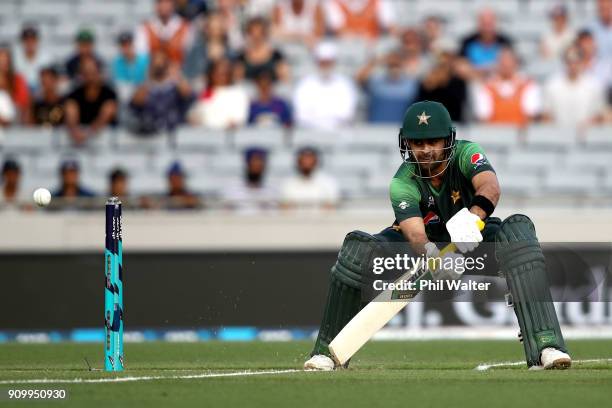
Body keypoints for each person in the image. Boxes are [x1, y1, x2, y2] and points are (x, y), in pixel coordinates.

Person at [303, 100, 572, 372]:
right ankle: (327, 352)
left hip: (473, 237)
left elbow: (490, 186)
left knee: (518, 231)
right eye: (418, 143)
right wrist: (433, 256)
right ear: (407, 143)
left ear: (448, 140)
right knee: (357, 250)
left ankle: (545, 346)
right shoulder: (402, 181)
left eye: (433, 142)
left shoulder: (467, 153)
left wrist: (473, 217)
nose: (426, 150)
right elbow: (415, 235)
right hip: (421, 247)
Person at [293, 42, 357, 130]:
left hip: (339, 135)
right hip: (310, 135)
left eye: (328, 62)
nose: (325, 66)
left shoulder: (345, 85)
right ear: (317, 62)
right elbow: (301, 115)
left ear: (334, 62)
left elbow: (347, 114)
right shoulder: (305, 85)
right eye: (322, 62)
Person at [128, 50, 193, 135]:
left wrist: (176, 75)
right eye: (155, 63)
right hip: (151, 133)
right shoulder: (145, 87)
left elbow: (187, 94)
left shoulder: (174, 86)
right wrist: (148, 78)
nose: (158, 66)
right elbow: (136, 102)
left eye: (162, 63)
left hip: (173, 131)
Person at [472, 47, 541, 126]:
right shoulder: (486, 87)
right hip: (493, 133)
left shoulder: (529, 85)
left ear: (516, 63)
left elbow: (531, 115)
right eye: (502, 62)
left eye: (509, 61)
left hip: (520, 133)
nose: (506, 65)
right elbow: (483, 117)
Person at [542, 47, 607, 128]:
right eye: (569, 61)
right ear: (564, 62)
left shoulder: (594, 85)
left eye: (576, 61)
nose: (573, 65)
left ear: (582, 62)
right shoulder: (552, 85)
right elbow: (546, 115)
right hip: (558, 136)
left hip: (587, 136)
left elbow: (599, 115)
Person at [64, 57, 118, 144]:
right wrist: (75, 132)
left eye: (93, 72)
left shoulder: (109, 94)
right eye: (86, 73)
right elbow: (71, 116)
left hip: (104, 140)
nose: (90, 76)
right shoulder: (74, 94)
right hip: (77, 140)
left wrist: (88, 133)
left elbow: (106, 115)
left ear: (99, 73)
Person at [356, 49, 418, 123]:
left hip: (402, 130)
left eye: (397, 65)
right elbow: (359, 79)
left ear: (402, 64)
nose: (394, 68)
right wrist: (374, 62)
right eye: (391, 65)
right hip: (375, 129)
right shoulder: (376, 82)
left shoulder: (411, 84)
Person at [188, 58, 249, 129]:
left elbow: (239, 119)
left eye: (224, 73)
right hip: (205, 134)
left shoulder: (238, 93)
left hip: (228, 135)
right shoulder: (207, 91)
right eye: (217, 73)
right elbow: (196, 112)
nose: (220, 76)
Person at [134, 0, 194, 67]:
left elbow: (190, 59)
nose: (163, 5)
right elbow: (141, 58)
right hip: (153, 74)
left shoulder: (186, 28)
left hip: (179, 73)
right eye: (160, 2)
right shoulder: (144, 28)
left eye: (167, 2)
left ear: (173, 4)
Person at [233, 17, 289, 83]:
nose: (257, 36)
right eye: (253, 32)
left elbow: (285, 79)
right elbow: (237, 80)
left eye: (260, 32)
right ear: (248, 34)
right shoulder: (241, 57)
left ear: (265, 34)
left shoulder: (276, 55)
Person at [416, 51, 468, 123]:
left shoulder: (458, 82)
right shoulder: (427, 83)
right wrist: (429, 88)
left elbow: (457, 104)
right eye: (440, 65)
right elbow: (421, 105)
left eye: (445, 65)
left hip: (453, 123)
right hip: (431, 123)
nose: (442, 69)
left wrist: (445, 84)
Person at [222, 147, 278, 213]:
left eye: (260, 162)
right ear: (247, 163)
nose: (257, 165)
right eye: (254, 161)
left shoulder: (272, 191)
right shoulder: (233, 189)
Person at [459, 8, 513, 76]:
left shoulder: (504, 42)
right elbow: (461, 66)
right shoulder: (467, 42)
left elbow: (510, 66)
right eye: (484, 24)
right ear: (478, 24)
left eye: (489, 24)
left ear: (495, 23)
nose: (487, 28)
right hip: (473, 81)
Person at [183, 10, 232, 81]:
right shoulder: (196, 51)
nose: (215, 30)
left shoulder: (231, 53)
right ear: (207, 29)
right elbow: (186, 74)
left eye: (217, 26)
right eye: (212, 26)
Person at [323, 0, 396, 40]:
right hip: (347, 47)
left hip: (374, 45)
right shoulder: (332, 2)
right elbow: (339, 31)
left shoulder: (380, 1)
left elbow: (390, 27)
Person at [111, 31, 150, 102]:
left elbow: (149, 82)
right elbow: (121, 90)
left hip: (146, 98)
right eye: (123, 45)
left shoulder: (145, 60)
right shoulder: (116, 63)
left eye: (128, 44)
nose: (126, 48)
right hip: (128, 100)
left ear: (133, 44)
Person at [13, 25, 52, 91]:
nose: (30, 43)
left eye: (33, 39)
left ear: (37, 40)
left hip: (41, 94)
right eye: (27, 40)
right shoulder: (15, 58)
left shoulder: (47, 58)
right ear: (22, 41)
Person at [0, 45, 30, 124]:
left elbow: (22, 103)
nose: (3, 61)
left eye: (6, 58)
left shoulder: (17, 80)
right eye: (1, 58)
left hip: (14, 117)